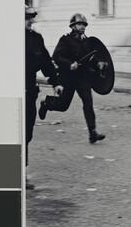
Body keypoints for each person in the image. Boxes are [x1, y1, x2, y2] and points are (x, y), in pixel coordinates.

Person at [39, 13, 106, 144]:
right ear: (73, 26)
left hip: (83, 78)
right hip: (67, 78)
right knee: (63, 105)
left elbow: (90, 57)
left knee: (88, 102)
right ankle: (46, 102)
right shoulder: (65, 40)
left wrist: (98, 63)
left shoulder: (86, 41)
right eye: (80, 24)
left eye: (84, 25)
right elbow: (56, 56)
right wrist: (70, 65)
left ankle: (92, 132)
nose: (83, 27)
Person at [25, 6, 58, 189]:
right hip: (10, 92)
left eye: (32, 18)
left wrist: (56, 81)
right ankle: (15, 173)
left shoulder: (36, 39)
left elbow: (46, 61)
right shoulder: (6, 38)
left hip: (29, 92)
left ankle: (21, 169)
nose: (31, 21)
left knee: (27, 132)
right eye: (26, 18)